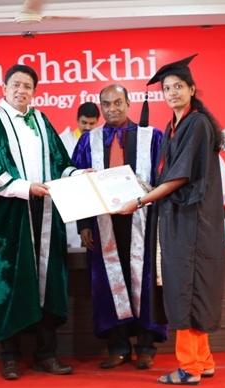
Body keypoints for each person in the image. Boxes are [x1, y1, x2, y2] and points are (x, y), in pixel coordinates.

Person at [0, 64, 79, 380]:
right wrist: (24, 187)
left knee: (48, 282)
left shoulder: (41, 120)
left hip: (44, 214)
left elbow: (59, 160)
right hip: (6, 218)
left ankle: (46, 354)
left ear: (34, 92)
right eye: (16, 85)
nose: (22, 90)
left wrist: (76, 174)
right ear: (4, 88)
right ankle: (9, 356)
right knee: (8, 283)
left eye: (28, 86)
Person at [118, 54, 225, 385]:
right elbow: (170, 175)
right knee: (192, 286)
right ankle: (203, 360)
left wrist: (140, 200)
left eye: (179, 86)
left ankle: (189, 368)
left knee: (185, 288)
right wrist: (145, 189)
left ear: (192, 89)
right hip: (182, 219)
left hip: (192, 222)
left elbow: (180, 177)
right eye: (167, 88)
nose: (172, 92)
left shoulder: (196, 124)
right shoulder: (175, 125)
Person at [72, 84, 166, 371]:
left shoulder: (152, 137)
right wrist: (83, 225)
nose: (112, 109)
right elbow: (77, 182)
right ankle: (118, 346)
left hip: (144, 222)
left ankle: (146, 347)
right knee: (110, 283)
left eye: (117, 102)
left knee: (145, 282)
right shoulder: (89, 140)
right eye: (106, 104)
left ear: (128, 103)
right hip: (104, 224)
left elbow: (165, 179)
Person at [59, 102, 101, 248]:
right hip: (69, 205)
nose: (87, 127)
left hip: (94, 206)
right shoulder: (63, 141)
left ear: (98, 122)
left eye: (92, 123)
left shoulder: (101, 142)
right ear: (77, 120)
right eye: (84, 122)